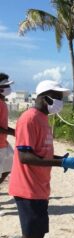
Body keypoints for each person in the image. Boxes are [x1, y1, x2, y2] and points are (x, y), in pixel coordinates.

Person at [8, 80, 74, 238]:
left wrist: (63, 158)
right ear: (46, 98)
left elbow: (40, 152)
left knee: (33, 233)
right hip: (27, 187)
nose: (61, 101)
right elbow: (24, 156)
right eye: (58, 97)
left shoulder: (43, 118)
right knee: (34, 234)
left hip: (40, 185)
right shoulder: (29, 119)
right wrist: (61, 163)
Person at [0, 73, 16, 216]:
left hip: (3, 143)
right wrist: (14, 132)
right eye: (6, 86)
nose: (9, 88)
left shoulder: (3, 102)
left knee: (9, 167)